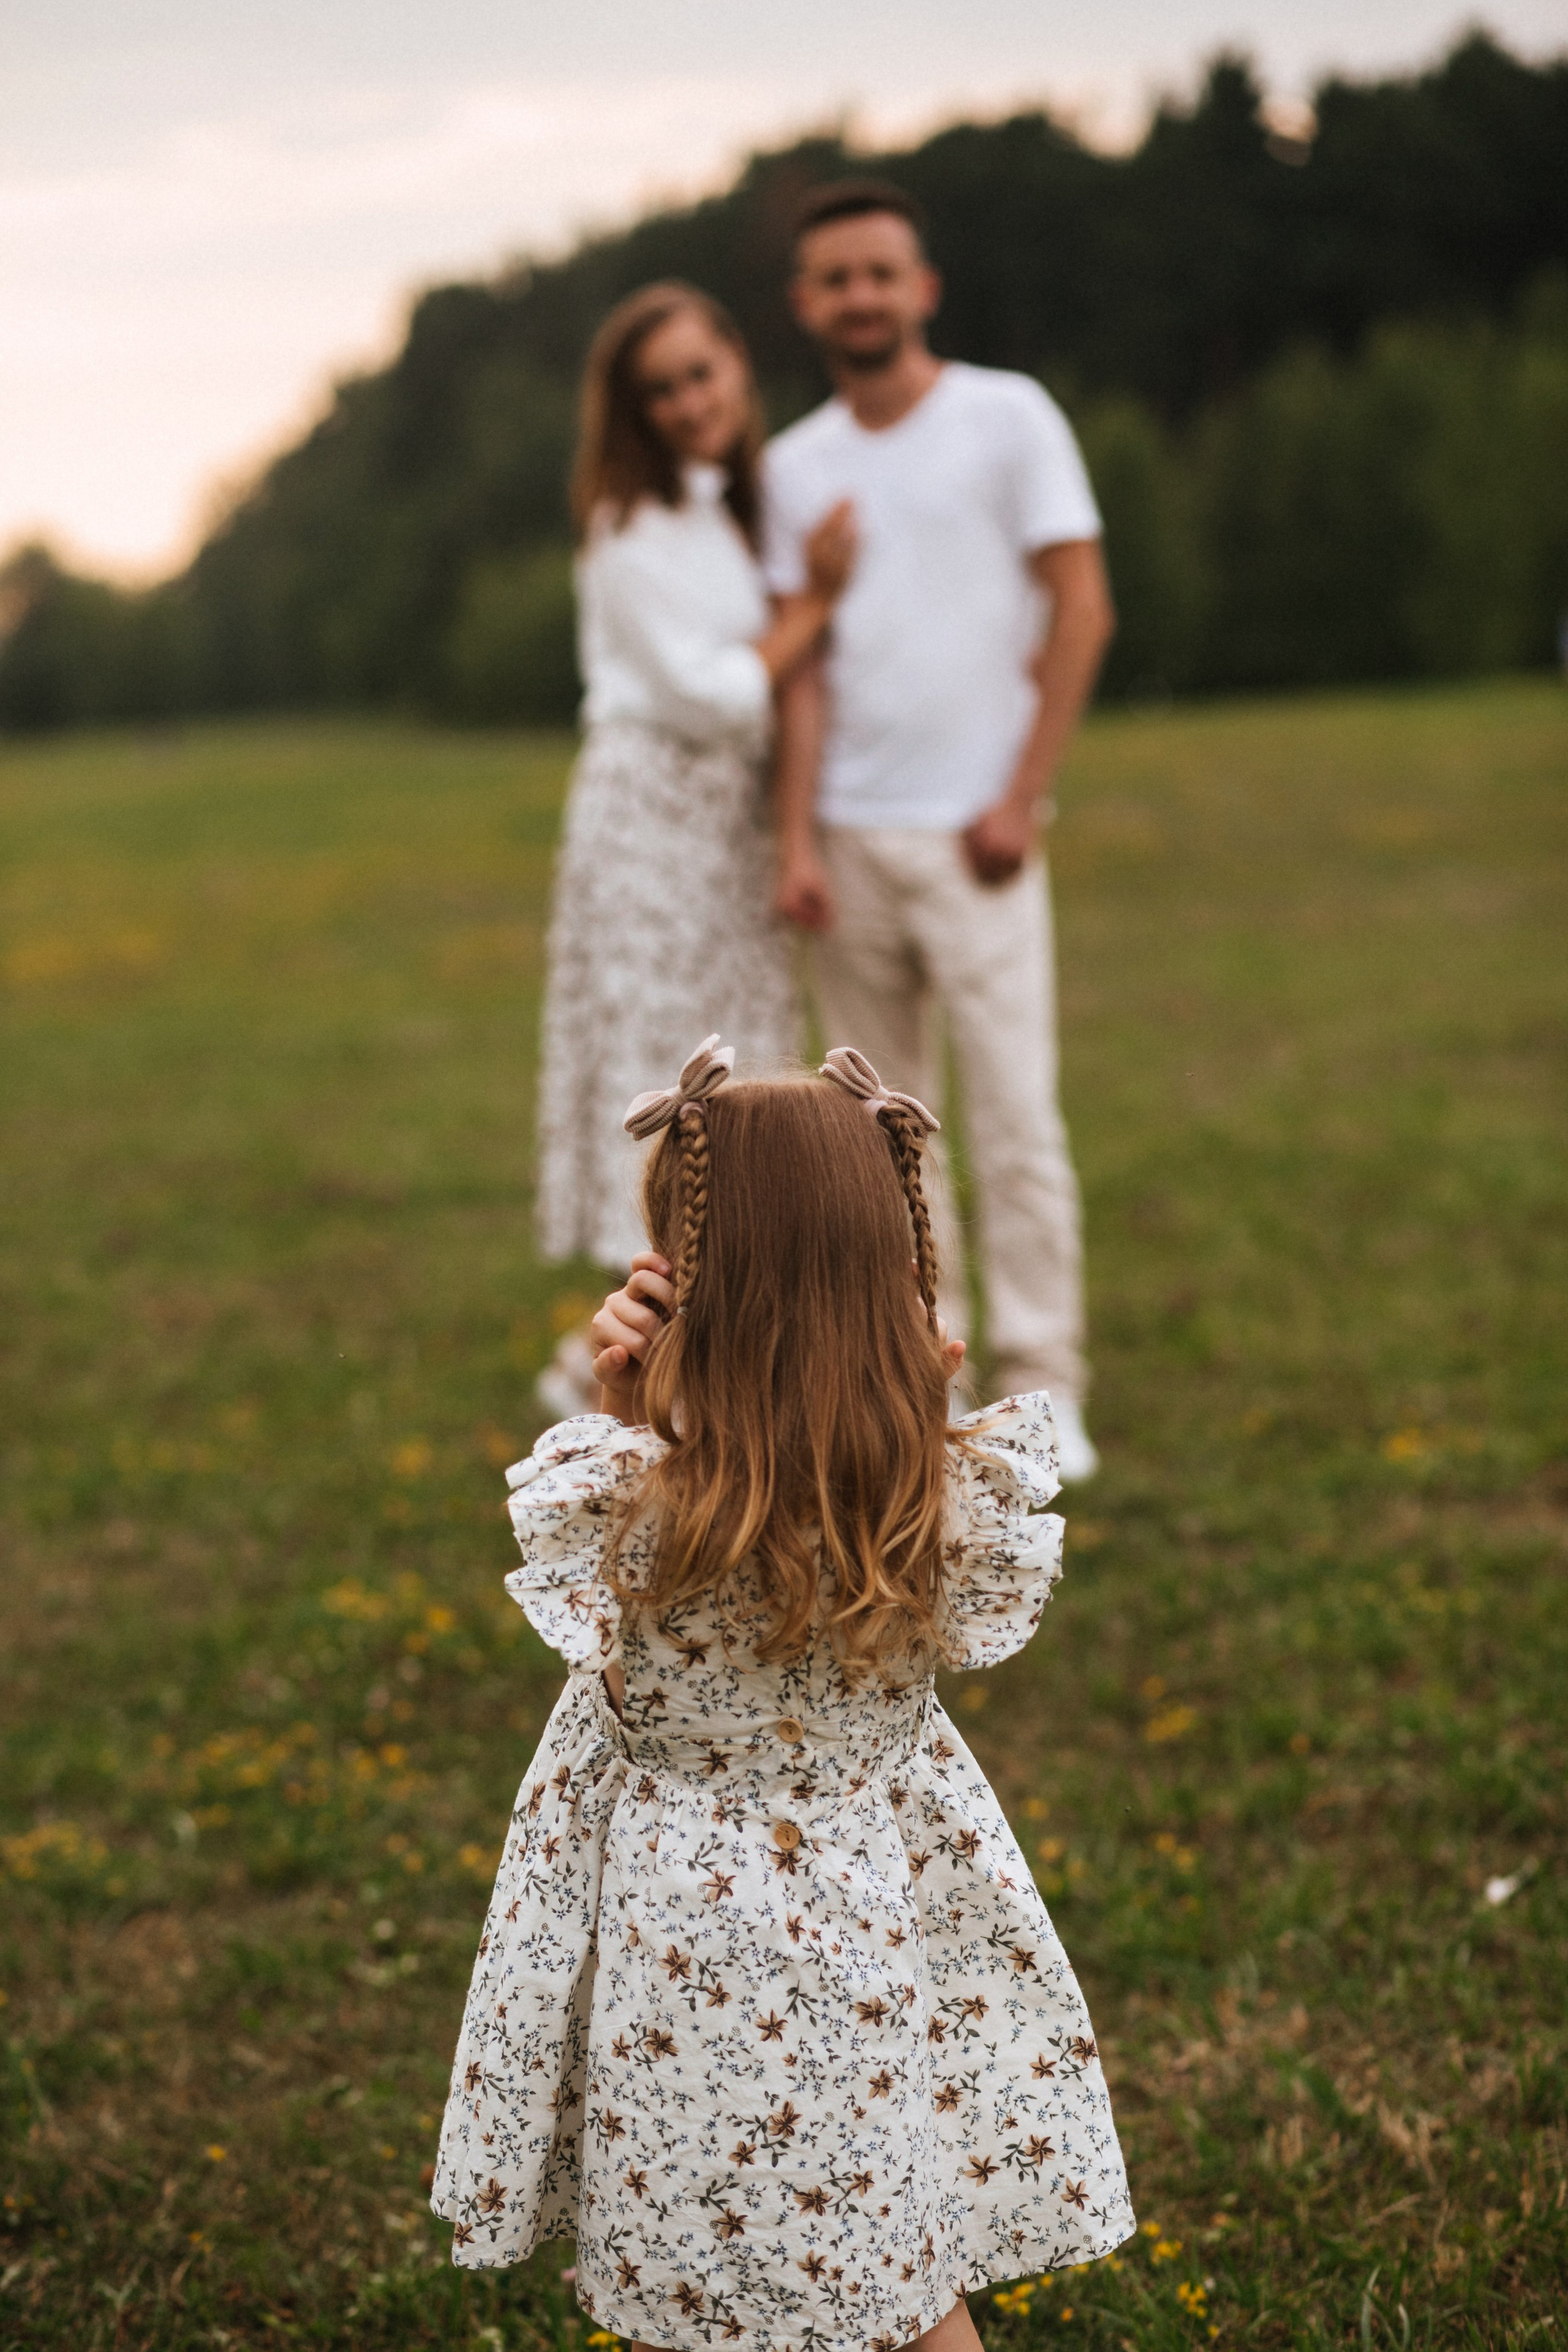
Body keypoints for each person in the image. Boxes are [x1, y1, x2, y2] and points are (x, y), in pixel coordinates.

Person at [432, 1035, 1135, 2348]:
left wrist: (622, 1408)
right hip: (875, 1925)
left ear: (690, 1286)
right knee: (906, 2276)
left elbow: (614, 1609)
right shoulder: (938, 1496)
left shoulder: (630, 1508)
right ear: (893, 1271)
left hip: (677, 1943)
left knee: (685, 2280)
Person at [764, 181, 1116, 1482]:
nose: (860, 296)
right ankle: (929, 1379)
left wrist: (1020, 794)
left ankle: (1043, 1383)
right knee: (881, 1146)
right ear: (806, 306)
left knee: (1016, 1118)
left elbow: (1078, 610)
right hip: (847, 845)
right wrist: (794, 841)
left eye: (880, 273)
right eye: (834, 279)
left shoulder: (1006, 418)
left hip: (980, 840)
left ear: (923, 288)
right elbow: (796, 673)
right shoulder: (791, 468)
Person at [535, 282, 855, 1414]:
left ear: (735, 365)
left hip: (728, 826)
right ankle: (623, 1353)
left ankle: (715, 1339)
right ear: (631, 411)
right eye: (658, 390)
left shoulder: (737, 503)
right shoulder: (630, 526)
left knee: (745, 1063)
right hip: (650, 820)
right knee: (672, 1072)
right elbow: (716, 694)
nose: (685, 403)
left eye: (699, 374)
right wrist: (815, 606)